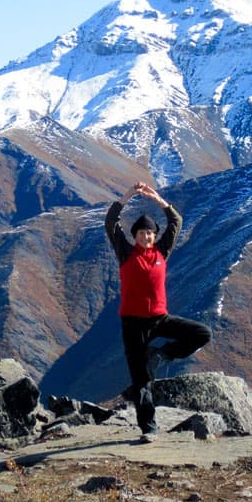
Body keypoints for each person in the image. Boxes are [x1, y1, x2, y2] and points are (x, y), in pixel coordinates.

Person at [105, 181, 212, 442]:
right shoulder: (126, 252)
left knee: (202, 334)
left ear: (155, 236)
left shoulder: (161, 252)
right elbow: (111, 220)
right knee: (141, 379)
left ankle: (161, 355)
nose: (146, 236)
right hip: (133, 323)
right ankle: (149, 429)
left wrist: (157, 198)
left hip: (160, 318)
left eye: (150, 233)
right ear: (135, 235)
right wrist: (129, 194)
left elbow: (175, 221)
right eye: (141, 232)